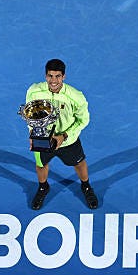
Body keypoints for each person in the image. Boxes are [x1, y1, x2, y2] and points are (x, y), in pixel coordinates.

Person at [25, 59, 98, 210]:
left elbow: (83, 120)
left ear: (64, 76)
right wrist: (33, 133)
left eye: (57, 76)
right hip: (43, 138)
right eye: (50, 76)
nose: (53, 81)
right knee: (41, 164)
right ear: (45, 76)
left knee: (79, 163)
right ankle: (43, 187)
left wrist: (64, 136)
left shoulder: (76, 97)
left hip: (68, 140)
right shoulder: (34, 91)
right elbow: (30, 115)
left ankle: (85, 186)